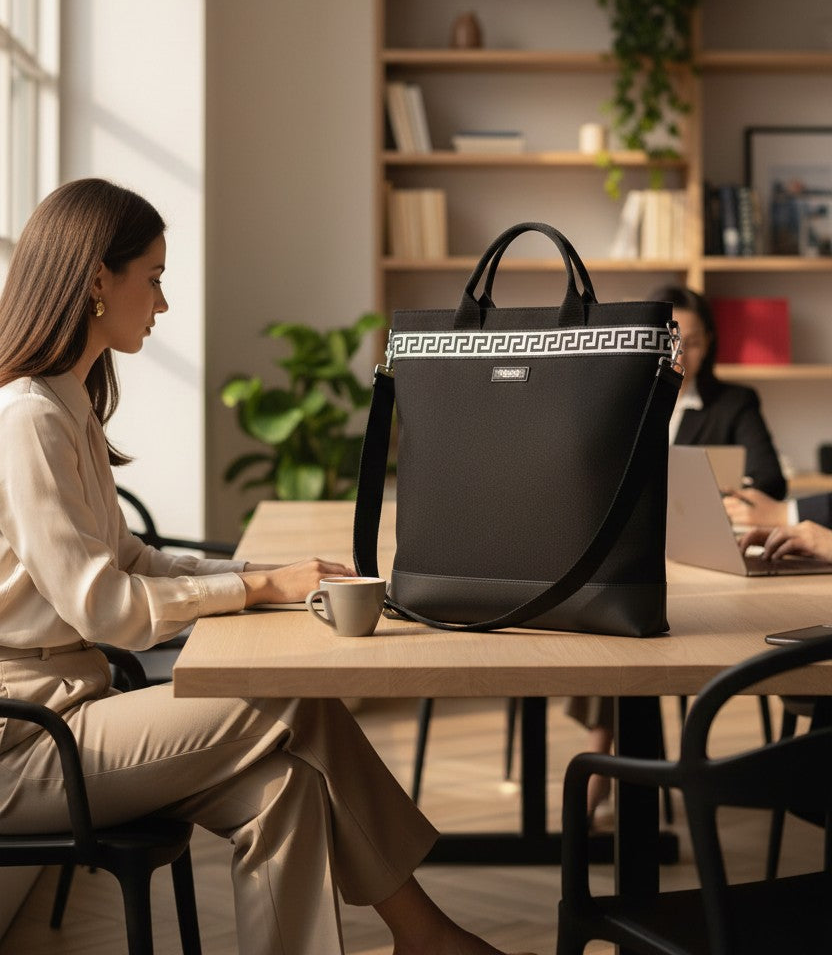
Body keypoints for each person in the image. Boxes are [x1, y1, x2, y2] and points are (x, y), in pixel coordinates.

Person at [0, 178, 535, 955]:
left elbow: (130, 557)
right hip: (30, 746)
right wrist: (255, 588)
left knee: (284, 793)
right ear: (94, 281)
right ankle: (429, 935)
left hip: (79, 710)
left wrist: (270, 570)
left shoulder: (66, 408)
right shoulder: (29, 421)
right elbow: (103, 606)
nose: (162, 304)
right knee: (293, 699)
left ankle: (427, 937)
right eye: (151, 279)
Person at [565, 284, 787, 824]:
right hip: (623, 548)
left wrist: (734, 495)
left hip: (694, 555)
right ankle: (608, 769)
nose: (683, 351)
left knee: (624, 612)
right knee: (614, 604)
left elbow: (771, 482)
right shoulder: (619, 400)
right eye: (671, 339)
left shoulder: (733, 403)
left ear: (710, 343)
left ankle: (598, 768)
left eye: (694, 339)